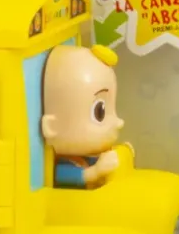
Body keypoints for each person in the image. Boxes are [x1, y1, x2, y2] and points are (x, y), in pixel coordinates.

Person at [42, 44, 126, 189]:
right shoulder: (64, 166)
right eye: (100, 112)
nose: (119, 122)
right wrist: (96, 171)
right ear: (52, 126)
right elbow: (66, 177)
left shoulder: (89, 156)